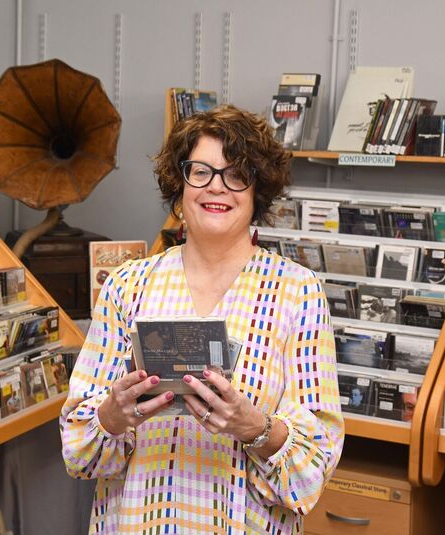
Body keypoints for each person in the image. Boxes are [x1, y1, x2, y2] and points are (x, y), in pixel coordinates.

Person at [61, 104, 344, 534]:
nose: (217, 188)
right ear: (179, 183)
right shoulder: (127, 287)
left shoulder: (297, 292)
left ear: (257, 193)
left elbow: (314, 467)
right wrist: (113, 415)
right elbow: (77, 451)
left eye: (236, 175)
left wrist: (255, 428)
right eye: (201, 172)